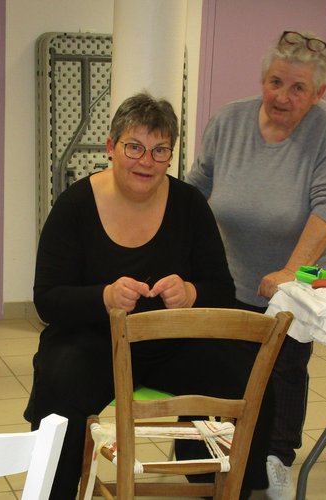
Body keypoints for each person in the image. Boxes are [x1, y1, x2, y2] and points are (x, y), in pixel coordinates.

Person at [24, 92, 273, 498]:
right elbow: (47, 299)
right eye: (134, 147)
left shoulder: (189, 204)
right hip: (93, 342)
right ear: (110, 147)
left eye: (160, 151)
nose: (146, 161)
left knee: (251, 371)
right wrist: (103, 298)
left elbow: (222, 290)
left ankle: (240, 488)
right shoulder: (75, 206)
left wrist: (191, 292)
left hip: (175, 344)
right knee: (60, 380)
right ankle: (55, 490)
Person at [187, 30, 326, 500]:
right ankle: (222, 455)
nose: (283, 96)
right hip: (228, 272)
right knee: (226, 367)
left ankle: (277, 461)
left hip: (296, 278)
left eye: (298, 88)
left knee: (283, 370)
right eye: (276, 82)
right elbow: (196, 189)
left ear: (318, 93)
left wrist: (289, 273)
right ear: (263, 79)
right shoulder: (229, 121)